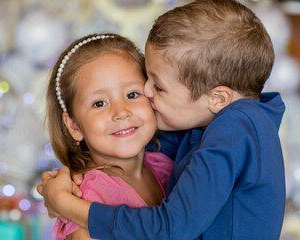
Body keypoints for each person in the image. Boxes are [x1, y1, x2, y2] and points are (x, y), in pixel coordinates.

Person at [37, 0, 286, 239]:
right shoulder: (216, 126)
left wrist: (67, 205)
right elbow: (135, 140)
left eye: (158, 87)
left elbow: (171, 228)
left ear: (218, 99)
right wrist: (63, 178)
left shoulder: (235, 130)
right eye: (146, 82)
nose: (147, 93)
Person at [42, 33, 174, 239]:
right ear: (74, 125)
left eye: (132, 94)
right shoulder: (86, 199)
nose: (121, 112)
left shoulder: (167, 166)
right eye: (99, 103)